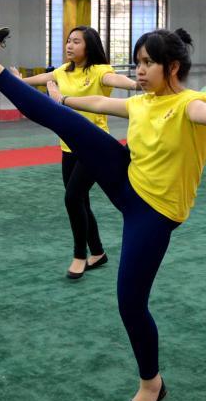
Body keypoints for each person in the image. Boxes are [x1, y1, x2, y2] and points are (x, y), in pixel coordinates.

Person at [0, 26, 206, 401]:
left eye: (148, 63)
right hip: (126, 181)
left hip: (154, 214)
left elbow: (203, 114)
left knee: (130, 303)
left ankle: (152, 383)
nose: (140, 70)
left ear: (173, 66)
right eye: (138, 63)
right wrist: (64, 98)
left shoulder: (190, 101)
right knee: (62, 118)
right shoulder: (141, 103)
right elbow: (100, 101)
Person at [11, 26, 137, 278]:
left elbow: (119, 81)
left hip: (94, 146)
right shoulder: (62, 71)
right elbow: (28, 83)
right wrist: (12, 78)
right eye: (68, 41)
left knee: (72, 198)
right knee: (80, 200)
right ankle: (98, 252)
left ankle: (80, 254)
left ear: (88, 46)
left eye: (76, 41)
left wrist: (140, 83)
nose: (69, 45)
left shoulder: (100, 71)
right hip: (68, 146)